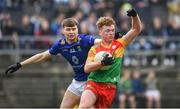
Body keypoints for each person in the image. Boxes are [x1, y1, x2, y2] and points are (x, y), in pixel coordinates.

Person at [4, 18, 102, 108]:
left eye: (73, 29)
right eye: (68, 29)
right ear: (63, 30)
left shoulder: (85, 39)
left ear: (77, 29)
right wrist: (20, 64)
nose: (71, 32)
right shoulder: (60, 45)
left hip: (92, 81)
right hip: (78, 82)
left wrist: (115, 37)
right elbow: (42, 56)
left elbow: (101, 41)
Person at [78, 9, 142, 108]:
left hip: (109, 88)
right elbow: (87, 68)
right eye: (107, 31)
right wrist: (101, 63)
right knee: (83, 107)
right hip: (94, 83)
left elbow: (136, 30)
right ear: (100, 32)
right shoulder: (95, 49)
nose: (111, 33)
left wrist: (135, 16)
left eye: (112, 30)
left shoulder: (120, 43)